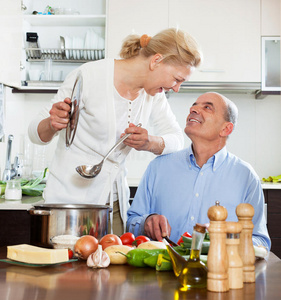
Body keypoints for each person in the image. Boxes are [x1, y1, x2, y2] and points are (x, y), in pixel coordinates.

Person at [28, 28, 202, 235]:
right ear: (156, 61)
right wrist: (53, 122)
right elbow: (34, 133)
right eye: (177, 79)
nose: (176, 88)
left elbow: (176, 139)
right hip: (69, 203)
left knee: (114, 265)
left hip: (114, 204)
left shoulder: (153, 94)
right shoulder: (89, 75)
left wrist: (150, 142)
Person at [127, 92, 271, 251]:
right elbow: (131, 222)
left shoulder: (246, 176)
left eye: (207, 107)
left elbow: (261, 241)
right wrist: (147, 222)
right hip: (163, 267)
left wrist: (225, 237)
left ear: (225, 128)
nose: (193, 109)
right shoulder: (158, 167)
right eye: (194, 105)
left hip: (219, 271)